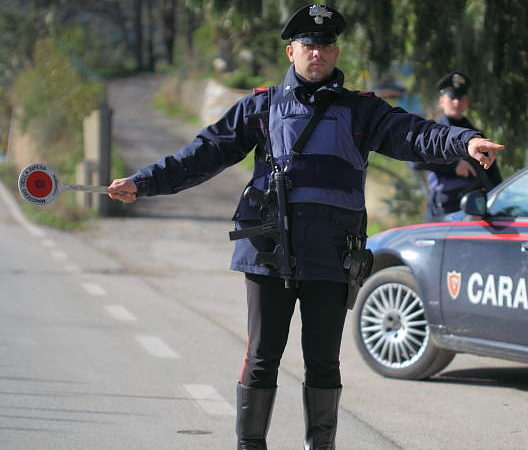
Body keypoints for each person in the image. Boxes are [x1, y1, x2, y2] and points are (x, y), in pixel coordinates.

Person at [106, 4, 504, 449]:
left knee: (323, 364)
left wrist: (464, 141)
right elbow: (203, 154)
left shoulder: (361, 111)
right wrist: (143, 182)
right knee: (261, 359)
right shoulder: (260, 107)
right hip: (268, 253)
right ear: (290, 50)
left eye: (327, 46)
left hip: (332, 255)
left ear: (335, 52)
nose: (319, 53)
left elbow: (414, 134)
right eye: (310, 45)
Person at [413, 71, 502, 221]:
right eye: (452, 97)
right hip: (445, 206)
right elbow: (415, 160)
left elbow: (492, 170)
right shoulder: (434, 130)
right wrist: (454, 165)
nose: (456, 102)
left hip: (475, 205)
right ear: (442, 101)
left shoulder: (475, 134)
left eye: (460, 98)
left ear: (466, 101)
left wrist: (500, 197)